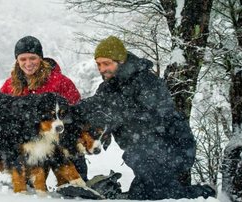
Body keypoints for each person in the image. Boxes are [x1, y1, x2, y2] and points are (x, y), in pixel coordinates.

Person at [79, 36, 216, 199]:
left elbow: (156, 118)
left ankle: (204, 194)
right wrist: (69, 112)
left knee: (156, 194)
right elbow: (94, 107)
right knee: (140, 194)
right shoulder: (108, 88)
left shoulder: (147, 81)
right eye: (99, 64)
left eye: (106, 63)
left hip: (173, 148)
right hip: (143, 153)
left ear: (121, 61)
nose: (102, 69)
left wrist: (117, 113)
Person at [0, 35, 88, 181]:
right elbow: (1, 114)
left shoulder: (60, 82)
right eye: (23, 59)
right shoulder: (9, 85)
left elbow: (77, 112)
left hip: (59, 140)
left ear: (40, 58)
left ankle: (74, 182)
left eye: (32, 58)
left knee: (73, 166)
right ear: (17, 61)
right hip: (28, 145)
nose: (28, 63)